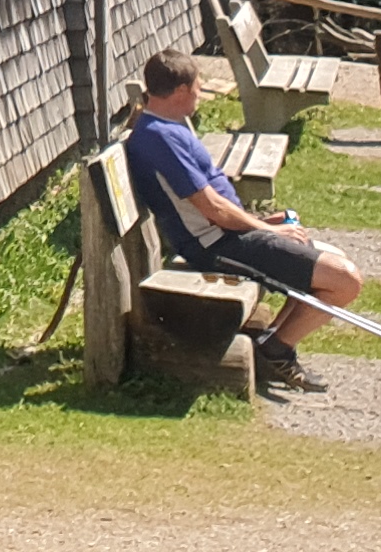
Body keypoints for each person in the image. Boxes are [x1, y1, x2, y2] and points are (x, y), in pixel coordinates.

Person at [126, 45, 364, 393]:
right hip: (216, 246)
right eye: (196, 86)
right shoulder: (160, 138)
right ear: (179, 91)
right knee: (345, 280)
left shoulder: (165, 126)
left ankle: (272, 344)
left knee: (331, 262)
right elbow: (213, 210)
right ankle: (276, 350)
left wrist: (263, 220)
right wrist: (268, 229)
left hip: (226, 235)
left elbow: (214, 204)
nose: (199, 91)